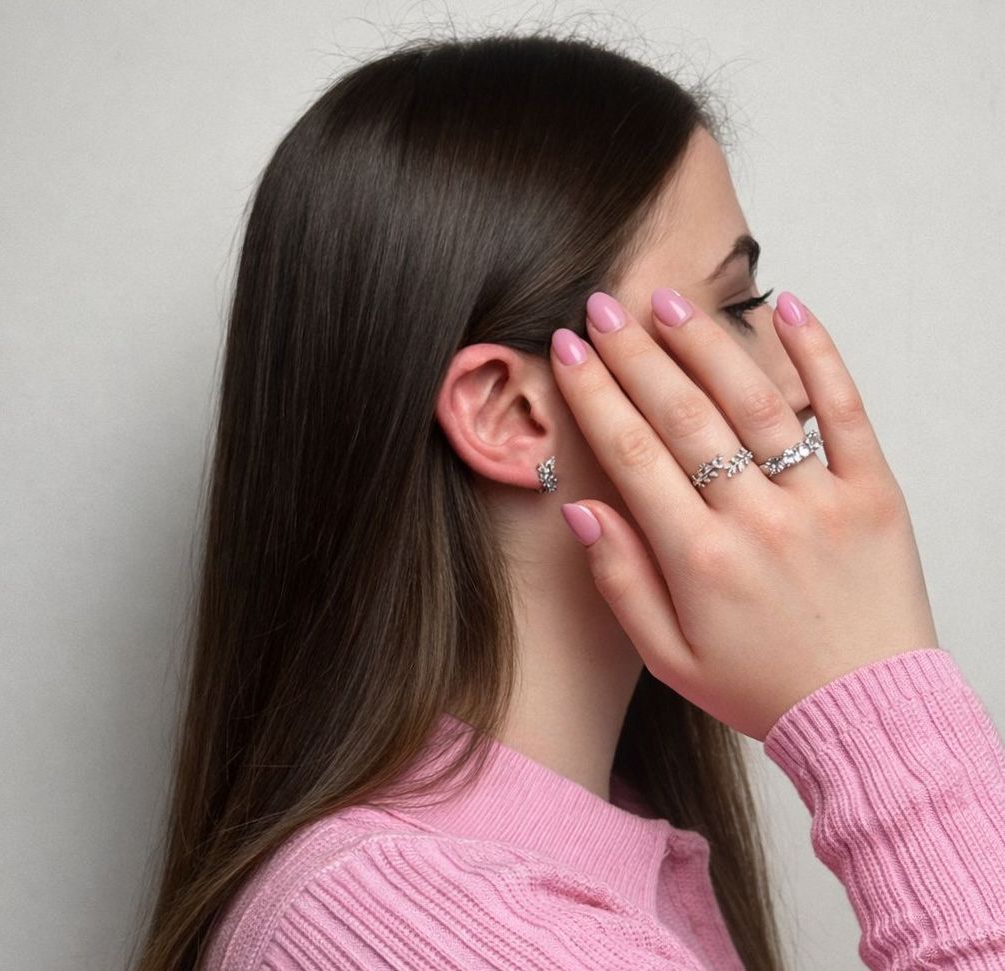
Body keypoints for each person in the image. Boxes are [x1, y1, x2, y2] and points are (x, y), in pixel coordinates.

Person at [129, 30, 1005, 971]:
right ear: (510, 415)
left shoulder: (568, 859)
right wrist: (877, 704)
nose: (795, 385)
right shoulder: (398, 924)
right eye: (735, 307)